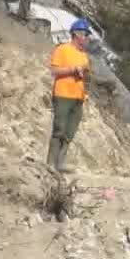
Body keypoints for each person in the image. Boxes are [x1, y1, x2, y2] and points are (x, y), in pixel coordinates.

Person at [46, 19, 92, 173]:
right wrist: (74, 69)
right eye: (85, 34)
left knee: (70, 131)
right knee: (59, 128)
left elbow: (85, 76)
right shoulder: (62, 49)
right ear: (76, 34)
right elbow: (54, 71)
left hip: (78, 97)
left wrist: (84, 77)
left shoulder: (84, 55)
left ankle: (61, 163)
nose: (87, 38)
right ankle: (51, 163)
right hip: (63, 94)